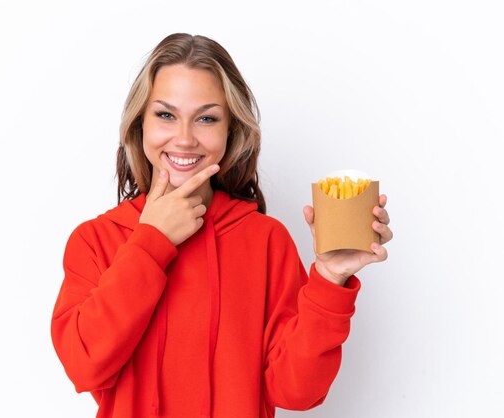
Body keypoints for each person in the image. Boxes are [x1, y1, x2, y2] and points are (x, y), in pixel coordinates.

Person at [50, 33, 393, 418]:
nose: (184, 138)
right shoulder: (96, 241)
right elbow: (83, 363)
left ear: (231, 131)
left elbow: (297, 392)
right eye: (165, 114)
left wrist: (330, 280)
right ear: (139, 125)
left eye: (206, 118)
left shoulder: (265, 240)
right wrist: (151, 242)